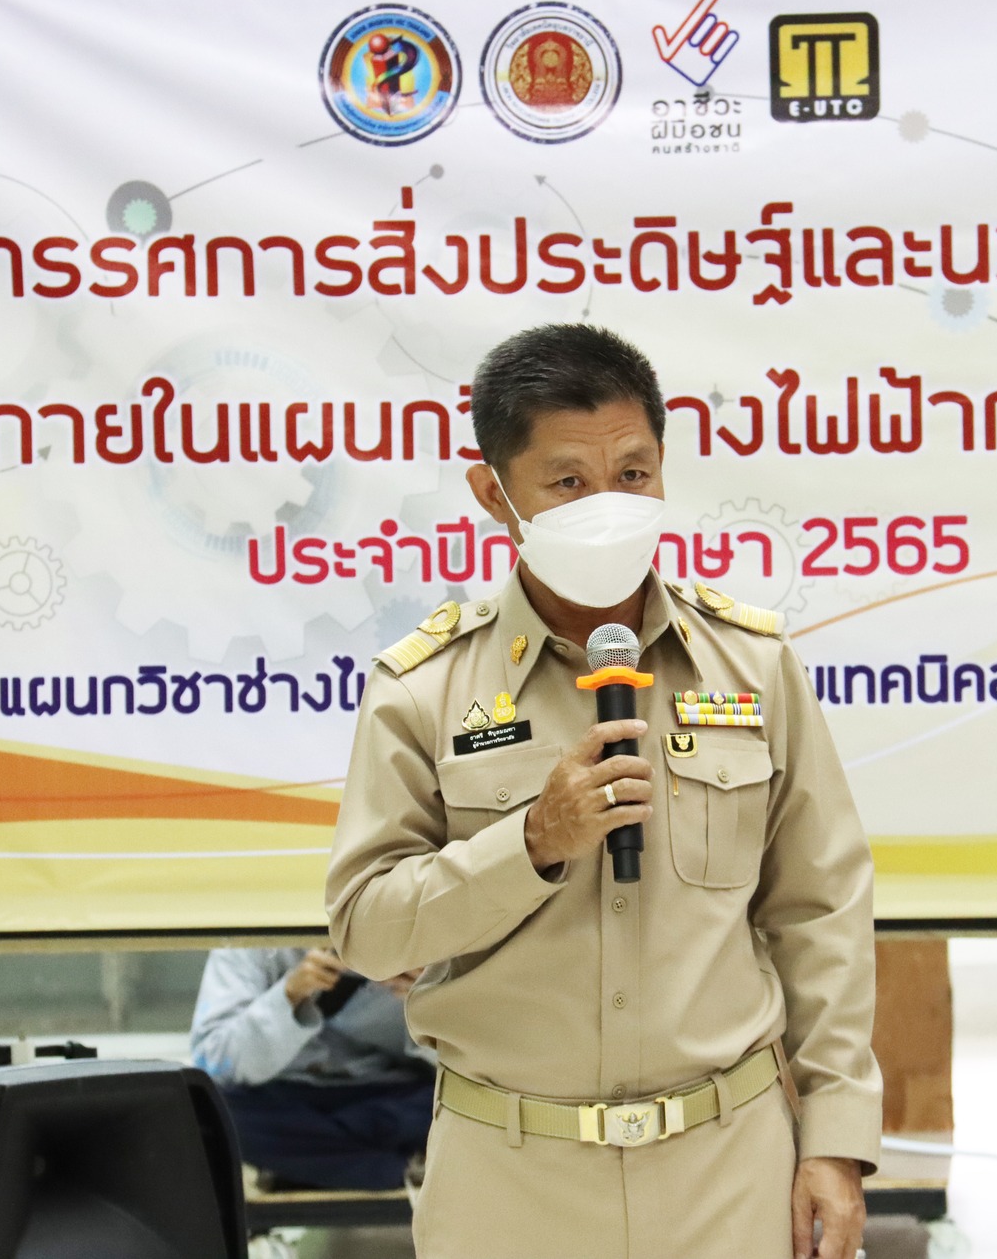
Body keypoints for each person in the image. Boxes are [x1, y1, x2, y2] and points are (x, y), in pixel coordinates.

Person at [325, 323, 881, 1259]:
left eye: (632, 474)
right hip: (510, 1177)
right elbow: (368, 927)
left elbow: (820, 910)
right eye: (569, 482)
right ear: (494, 493)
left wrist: (835, 1139)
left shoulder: (751, 664)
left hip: (726, 1166)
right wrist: (531, 841)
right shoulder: (424, 688)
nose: (610, 506)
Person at [190, 946, 432, 1191]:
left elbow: (452, 1066)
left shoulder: (424, 939)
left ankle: (304, 1168)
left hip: (388, 1093)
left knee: (443, 1108)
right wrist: (289, 994)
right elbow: (215, 1062)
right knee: (207, 1110)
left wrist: (433, 1006)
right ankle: (399, 1172)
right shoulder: (250, 941)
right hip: (281, 1096)